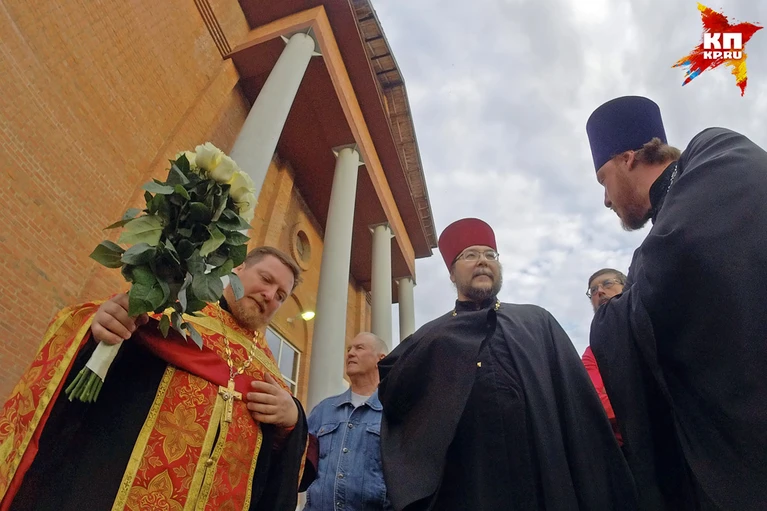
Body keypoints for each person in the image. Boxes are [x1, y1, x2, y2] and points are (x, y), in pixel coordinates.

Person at [0, 246, 309, 511]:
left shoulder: (270, 372)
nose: (270, 295)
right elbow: (93, 365)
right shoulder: (174, 315)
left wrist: (293, 421)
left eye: (281, 296)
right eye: (266, 279)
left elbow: (274, 474)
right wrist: (100, 330)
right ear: (238, 268)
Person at [378, 218, 637, 511]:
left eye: (490, 255)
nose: (483, 261)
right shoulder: (431, 338)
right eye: (470, 255)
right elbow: (397, 396)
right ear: (452, 273)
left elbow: (577, 406)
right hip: (468, 485)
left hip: (542, 477)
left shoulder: (537, 322)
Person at [585, 95, 767, 510]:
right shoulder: (654, 245)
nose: (607, 200)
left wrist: (614, 318)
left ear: (628, 159)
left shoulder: (718, 155)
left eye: (603, 180)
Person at [304, 332, 392, 511]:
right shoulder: (324, 410)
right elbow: (300, 464)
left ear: (381, 359)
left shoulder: (392, 412)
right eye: (349, 349)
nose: (350, 353)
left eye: (359, 348)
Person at [582, 268, 627, 445]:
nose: (599, 291)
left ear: (626, 287)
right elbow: (592, 399)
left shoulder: (652, 327)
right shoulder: (592, 352)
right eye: (593, 290)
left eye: (607, 283)